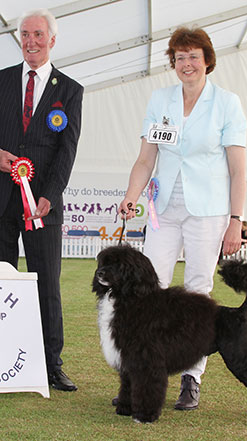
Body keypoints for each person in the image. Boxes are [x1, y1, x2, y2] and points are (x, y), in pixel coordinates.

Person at [119, 27, 247, 411]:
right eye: (179, 57)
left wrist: (236, 220)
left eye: (193, 56)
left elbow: (238, 170)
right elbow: (146, 159)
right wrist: (131, 197)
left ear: (207, 60)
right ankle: (139, 375)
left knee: (197, 291)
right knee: (147, 289)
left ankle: (192, 377)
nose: (186, 64)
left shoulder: (227, 103)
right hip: (163, 209)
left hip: (208, 211)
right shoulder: (160, 99)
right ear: (172, 63)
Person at [0, 9, 83, 391]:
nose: (31, 41)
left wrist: (49, 195)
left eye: (38, 34)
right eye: (25, 34)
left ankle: (52, 364)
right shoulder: (0, 81)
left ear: (52, 39)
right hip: (1, 200)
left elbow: (67, 151)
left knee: (46, 285)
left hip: (42, 207)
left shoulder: (69, 90)